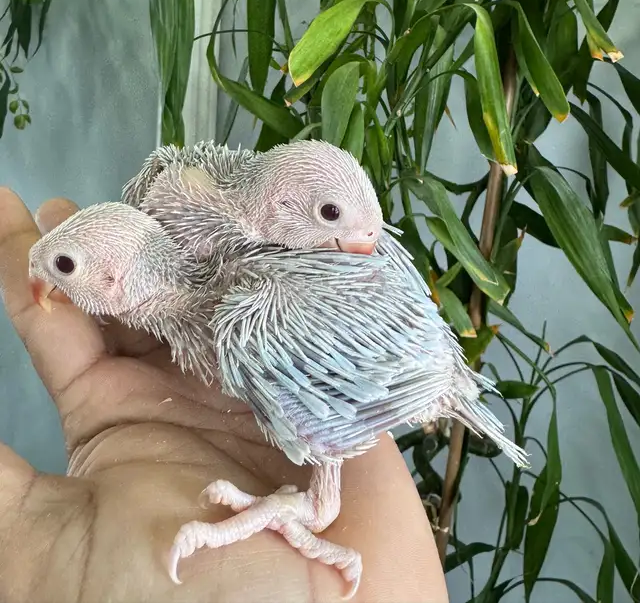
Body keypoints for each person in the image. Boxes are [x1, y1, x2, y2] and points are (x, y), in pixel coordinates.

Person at [0, 187, 449, 603]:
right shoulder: (210, 282)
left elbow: (341, 401)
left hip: (410, 357)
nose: (44, 285)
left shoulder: (245, 322)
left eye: (65, 267)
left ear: (114, 278)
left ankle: (315, 503)